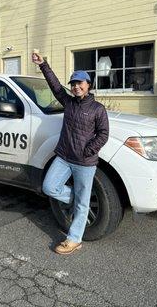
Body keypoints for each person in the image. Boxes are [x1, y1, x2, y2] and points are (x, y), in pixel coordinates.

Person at [32, 52, 109, 255]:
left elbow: (103, 134)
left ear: (88, 85)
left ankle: (74, 239)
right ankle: (78, 199)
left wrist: (88, 150)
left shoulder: (97, 109)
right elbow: (56, 86)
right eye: (73, 83)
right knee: (50, 187)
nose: (76, 86)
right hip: (64, 157)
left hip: (85, 162)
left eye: (80, 83)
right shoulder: (68, 103)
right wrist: (43, 64)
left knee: (83, 203)